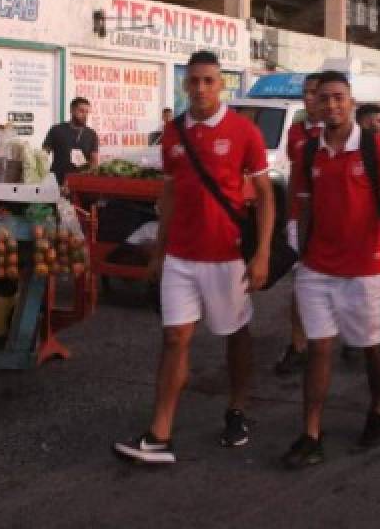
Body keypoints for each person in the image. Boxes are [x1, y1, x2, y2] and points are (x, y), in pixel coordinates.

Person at [113, 51, 274, 465]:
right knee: (173, 339)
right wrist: (160, 251)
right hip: (181, 257)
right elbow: (169, 194)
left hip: (226, 256)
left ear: (221, 85)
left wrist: (262, 254)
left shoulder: (244, 132)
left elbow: (266, 196)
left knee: (235, 336)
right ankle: (159, 435)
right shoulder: (171, 133)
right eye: (194, 81)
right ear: (185, 84)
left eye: (209, 81)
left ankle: (238, 410)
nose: (200, 89)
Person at [282, 71, 380, 467]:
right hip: (317, 268)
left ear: (351, 101)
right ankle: (310, 433)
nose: (332, 105)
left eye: (339, 97)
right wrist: (297, 256)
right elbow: (302, 208)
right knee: (319, 348)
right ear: (314, 105)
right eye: (324, 98)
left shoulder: (375, 148)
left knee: (370, 349)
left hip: (366, 269)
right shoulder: (306, 152)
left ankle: (378, 410)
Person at [275, 72, 325, 376]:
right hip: (300, 217)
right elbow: (294, 175)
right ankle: (298, 345)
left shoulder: (342, 132)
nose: (308, 98)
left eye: (314, 92)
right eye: (305, 92)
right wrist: (287, 216)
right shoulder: (295, 132)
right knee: (301, 283)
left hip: (332, 219)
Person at [43, 97, 100, 186]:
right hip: (57, 181)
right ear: (72, 110)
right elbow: (43, 154)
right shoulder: (56, 130)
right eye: (81, 111)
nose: (85, 115)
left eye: (87, 112)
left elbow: (94, 162)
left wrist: (88, 179)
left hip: (81, 183)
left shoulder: (91, 134)